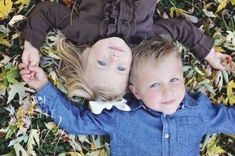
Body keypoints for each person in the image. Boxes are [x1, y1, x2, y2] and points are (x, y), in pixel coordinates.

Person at [19, 36, 235, 155]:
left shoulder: (200, 112)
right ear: (135, 91)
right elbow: (77, 122)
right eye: (154, 85)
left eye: (174, 80)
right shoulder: (121, 116)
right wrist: (43, 87)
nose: (168, 91)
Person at [21, 0, 231, 101]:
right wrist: (209, 53)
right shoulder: (144, 40)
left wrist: (32, 46)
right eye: (121, 68)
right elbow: (180, 29)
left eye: (102, 63)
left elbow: (45, 12)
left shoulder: (80, 30)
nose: (115, 57)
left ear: (84, 55)